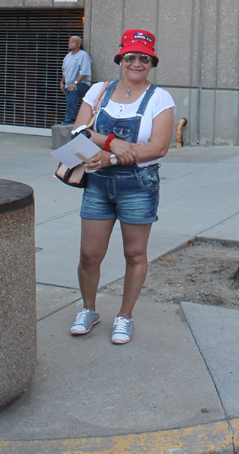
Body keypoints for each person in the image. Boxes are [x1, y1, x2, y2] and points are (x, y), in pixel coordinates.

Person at [69, 29, 175, 344]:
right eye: (131, 56)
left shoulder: (160, 98)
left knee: (134, 253)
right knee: (89, 254)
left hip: (138, 185)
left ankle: (124, 316)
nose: (137, 63)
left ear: (152, 62)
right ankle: (89, 309)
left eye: (144, 57)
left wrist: (111, 157)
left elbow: (158, 148)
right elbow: (77, 133)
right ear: (121, 59)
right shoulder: (99, 91)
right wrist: (114, 143)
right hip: (98, 184)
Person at [60, 35, 92, 124]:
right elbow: (64, 71)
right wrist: (62, 82)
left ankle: (71, 118)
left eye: (73, 42)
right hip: (69, 84)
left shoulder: (83, 55)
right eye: (69, 42)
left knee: (72, 89)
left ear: (78, 44)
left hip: (82, 84)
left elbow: (84, 72)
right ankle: (70, 117)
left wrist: (75, 82)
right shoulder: (67, 57)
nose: (70, 43)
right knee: (70, 90)